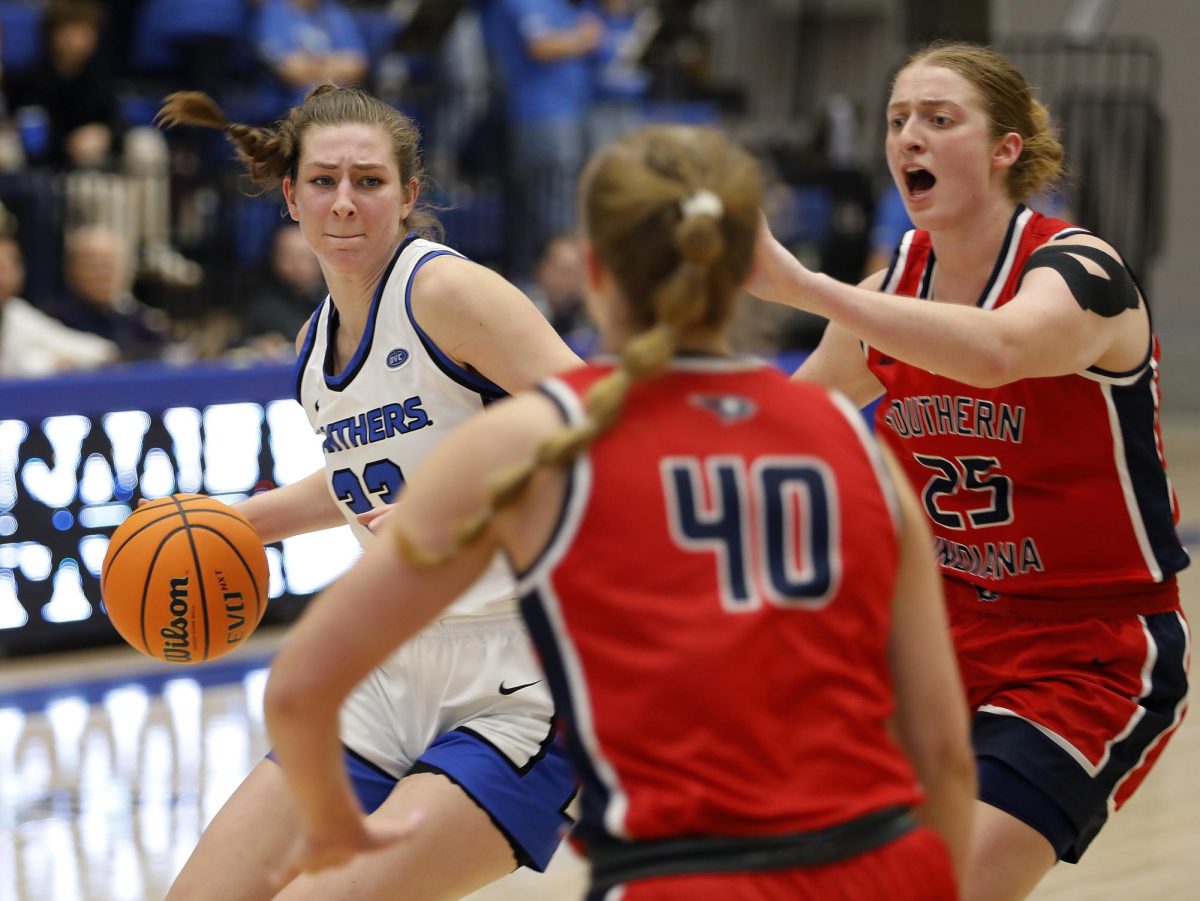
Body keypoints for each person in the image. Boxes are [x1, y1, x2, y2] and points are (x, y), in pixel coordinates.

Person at [262, 124, 977, 898]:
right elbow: (941, 748)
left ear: (595, 272)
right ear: (742, 265)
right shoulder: (848, 442)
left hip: (685, 868)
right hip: (866, 859)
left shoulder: (542, 439)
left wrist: (336, 827)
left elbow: (299, 688)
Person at [747, 41, 1191, 901]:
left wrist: (805, 286)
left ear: (1005, 149)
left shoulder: (1082, 273)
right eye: (897, 119)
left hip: (1086, 651)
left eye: (939, 120)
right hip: (931, 634)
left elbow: (999, 352)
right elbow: (781, 428)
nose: (909, 136)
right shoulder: (892, 290)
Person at [154, 83, 582, 900]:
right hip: (392, 666)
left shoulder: (446, 294)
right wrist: (237, 522)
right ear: (290, 196)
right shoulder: (317, 347)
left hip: (526, 672)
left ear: (409, 194)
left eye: (369, 180)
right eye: (323, 181)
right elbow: (373, 475)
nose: (344, 202)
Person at [0, 232, 117, 377]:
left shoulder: (17, 314)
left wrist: (56, 362)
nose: (3, 277)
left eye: (9, 266)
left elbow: (94, 349)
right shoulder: (60, 310)